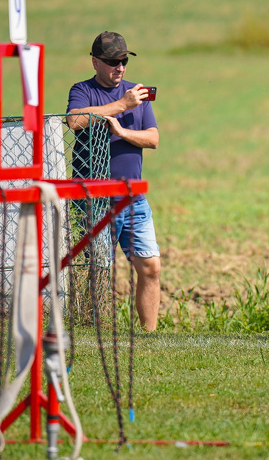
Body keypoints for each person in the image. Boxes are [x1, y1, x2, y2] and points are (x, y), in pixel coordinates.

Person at [67, 31, 161, 332]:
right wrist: (121, 105)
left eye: (123, 61)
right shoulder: (83, 90)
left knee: (150, 267)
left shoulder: (138, 93)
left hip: (132, 198)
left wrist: (122, 133)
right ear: (95, 62)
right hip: (93, 198)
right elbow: (75, 120)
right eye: (111, 62)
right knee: (98, 270)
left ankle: (149, 333)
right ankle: (94, 329)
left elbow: (153, 138)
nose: (119, 68)